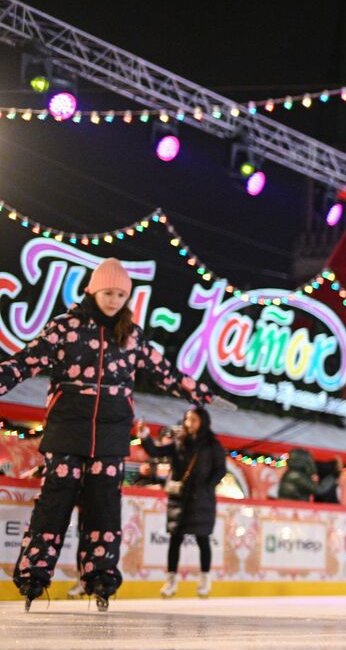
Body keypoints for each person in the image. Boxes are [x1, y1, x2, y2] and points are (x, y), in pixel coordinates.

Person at [0, 258, 211, 610]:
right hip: (68, 427)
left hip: (111, 435)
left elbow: (164, 372)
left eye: (120, 294)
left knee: (104, 506)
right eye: (108, 292)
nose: (113, 300)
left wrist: (197, 392)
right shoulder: (65, 327)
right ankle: (34, 574)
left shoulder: (130, 336)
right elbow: (26, 361)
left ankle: (100, 577)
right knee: (55, 501)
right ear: (93, 291)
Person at [139, 408, 226, 599]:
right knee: (175, 538)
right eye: (188, 419)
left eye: (193, 420)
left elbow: (220, 470)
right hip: (180, 498)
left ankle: (204, 580)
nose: (189, 423)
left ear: (203, 422)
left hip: (202, 499)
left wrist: (207, 486)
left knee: (203, 538)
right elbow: (156, 451)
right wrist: (144, 436)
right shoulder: (179, 442)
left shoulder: (212, 445)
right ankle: (171, 581)